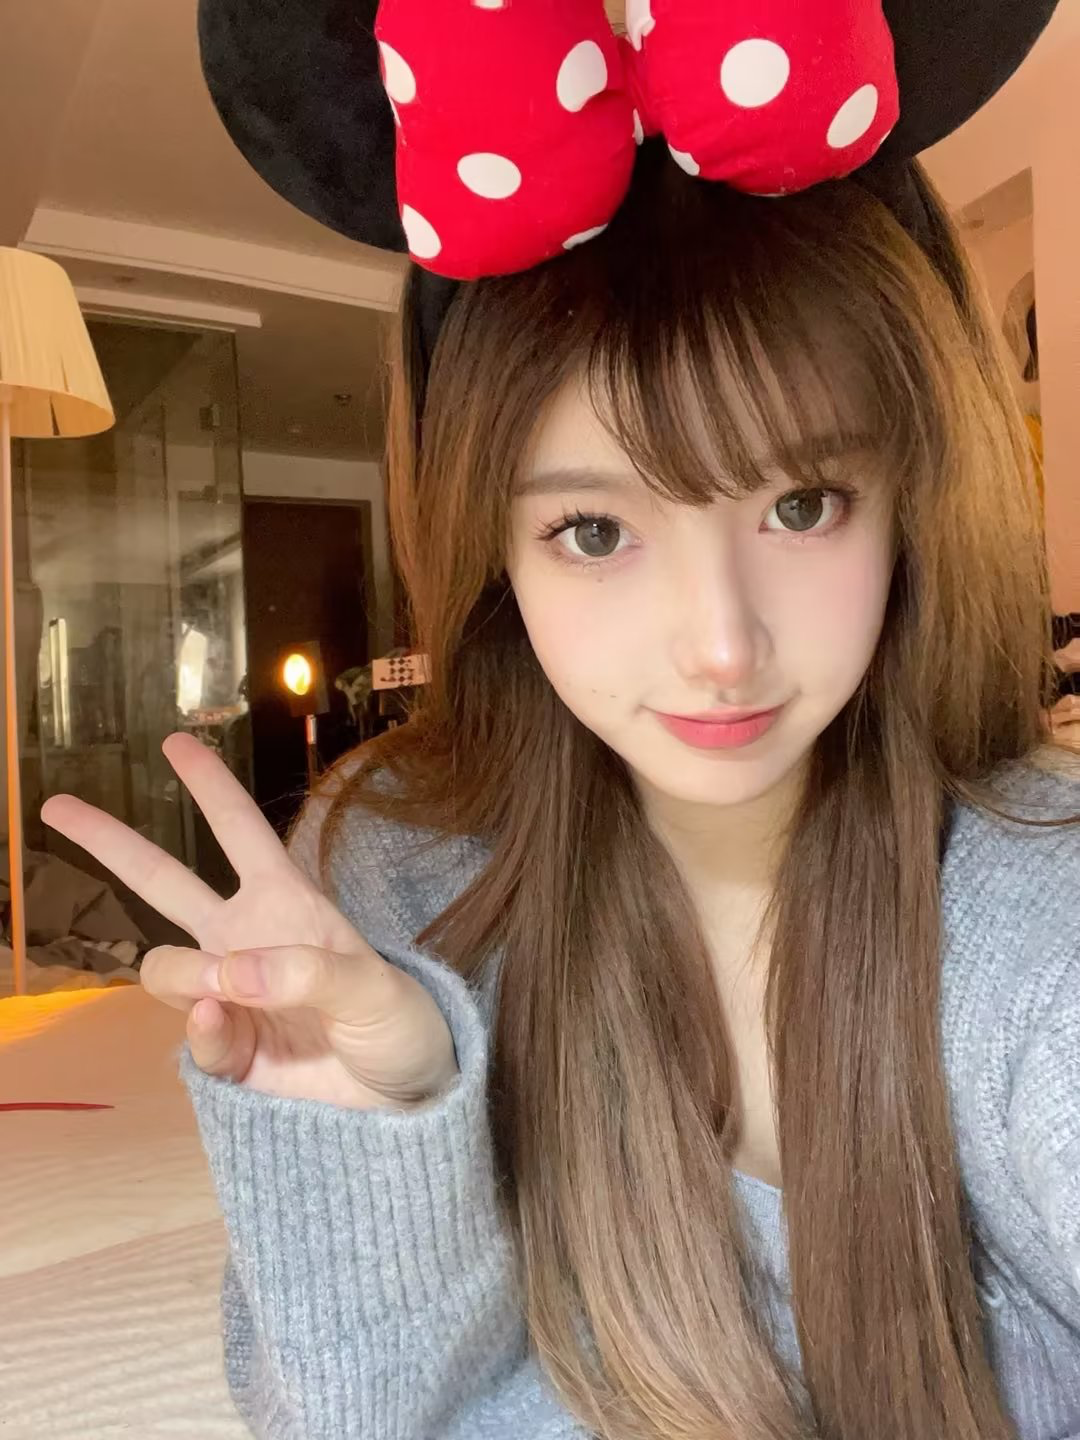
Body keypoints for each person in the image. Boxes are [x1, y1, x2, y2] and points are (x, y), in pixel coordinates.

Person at [41, 2, 1080, 1438]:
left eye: (801, 504)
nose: (721, 647)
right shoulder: (397, 871)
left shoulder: (1039, 895)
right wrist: (379, 1144)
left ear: (913, 498)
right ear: (495, 560)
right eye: (594, 530)